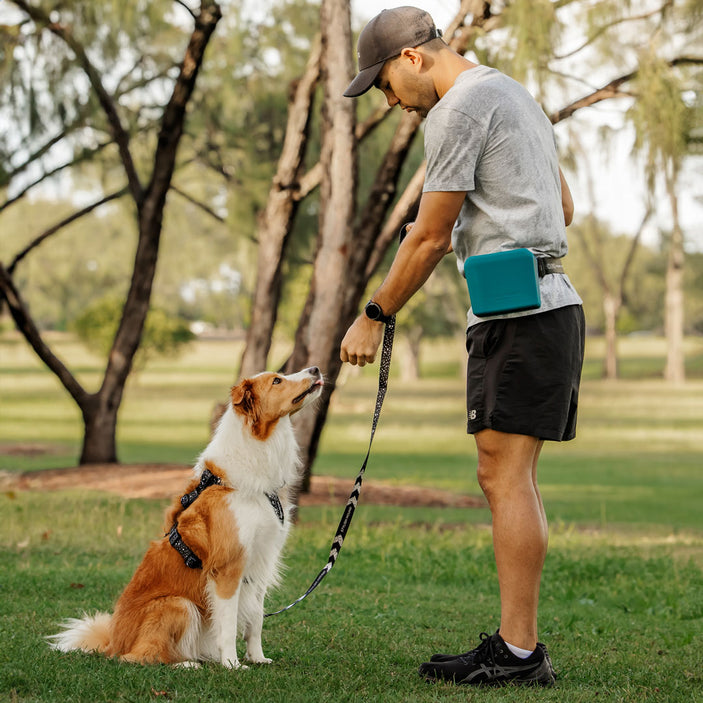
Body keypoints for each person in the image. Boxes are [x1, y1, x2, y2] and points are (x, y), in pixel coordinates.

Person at [340, 6, 585, 688]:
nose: (387, 100)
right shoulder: (513, 94)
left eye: (384, 83)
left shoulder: (456, 109)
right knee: (507, 474)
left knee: (502, 476)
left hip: (518, 312)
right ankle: (515, 644)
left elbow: (427, 234)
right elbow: (560, 205)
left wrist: (373, 314)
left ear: (412, 58)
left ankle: (518, 651)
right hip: (548, 303)